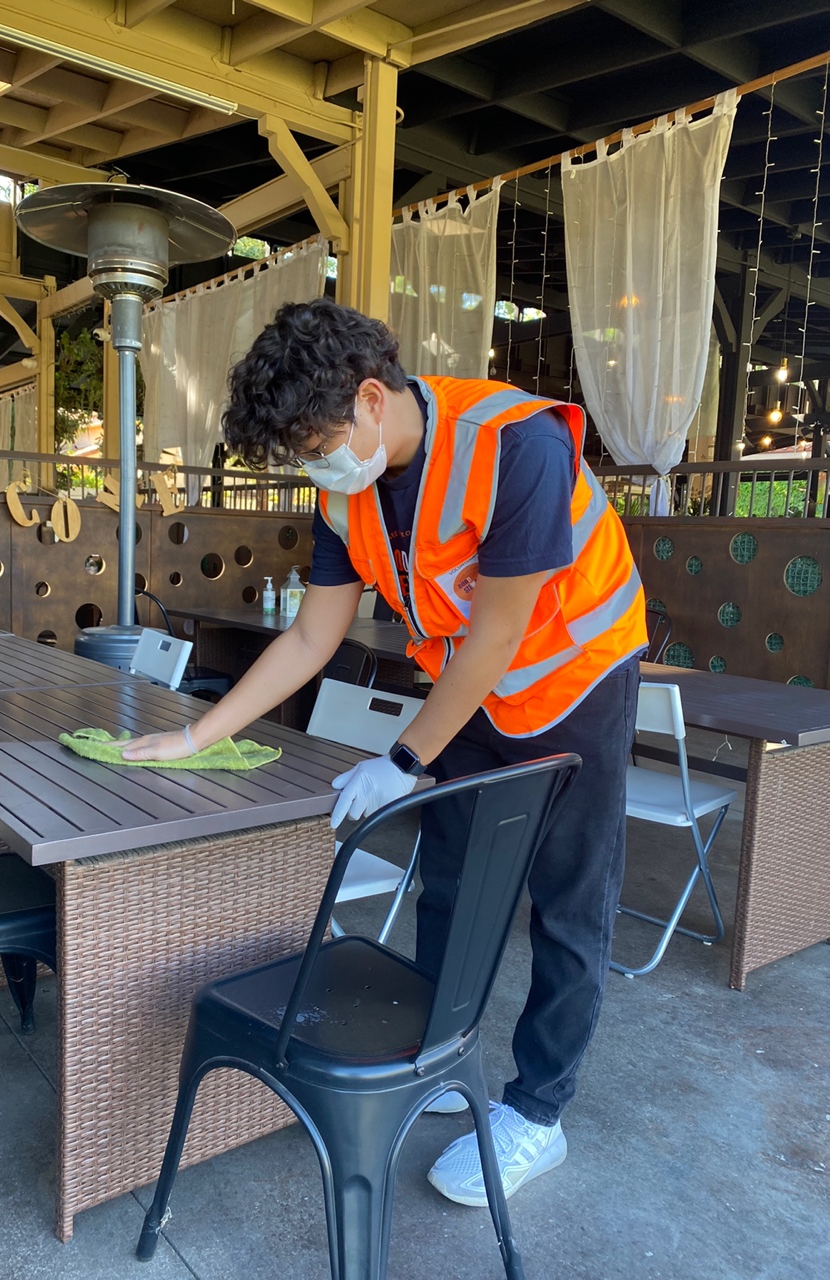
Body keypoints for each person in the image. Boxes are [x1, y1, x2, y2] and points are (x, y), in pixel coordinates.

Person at [123, 298, 647, 1208]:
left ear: (371, 398)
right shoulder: (346, 488)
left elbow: (498, 634)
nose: (315, 468)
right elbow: (309, 637)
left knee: (567, 905)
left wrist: (402, 760)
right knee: (448, 880)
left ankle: (538, 1109)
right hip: (462, 693)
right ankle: (441, 1055)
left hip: (575, 685)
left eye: (316, 445)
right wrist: (197, 733)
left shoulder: (515, 445)